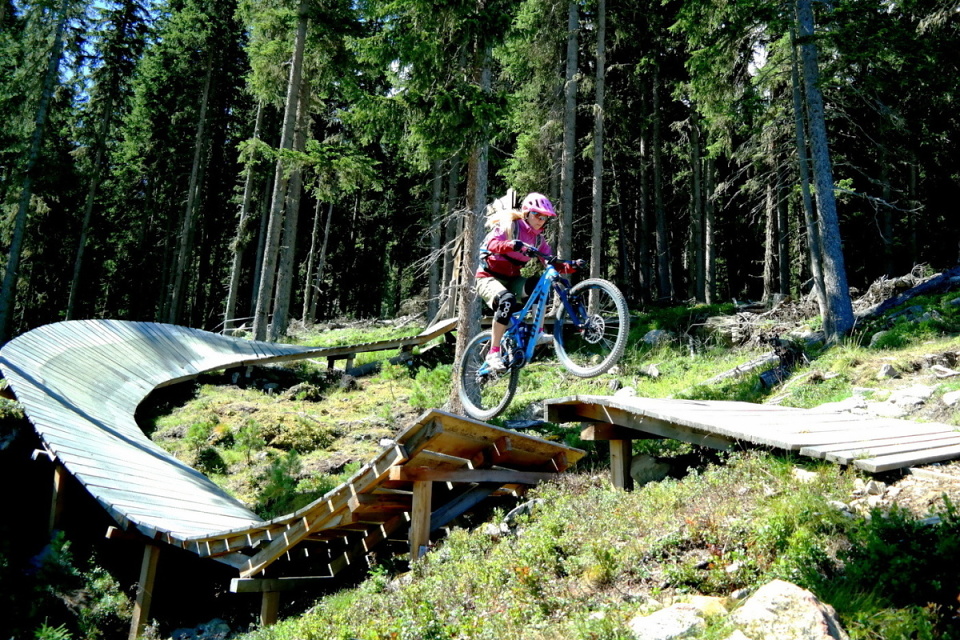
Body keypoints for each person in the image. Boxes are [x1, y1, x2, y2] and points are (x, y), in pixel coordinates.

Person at [475, 192, 580, 371]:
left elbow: (550, 262)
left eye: (544, 218)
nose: (541, 220)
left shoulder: (538, 240)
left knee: (538, 286)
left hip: (512, 279)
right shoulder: (510, 226)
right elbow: (491, 244)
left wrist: (571, 266)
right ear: (526, 213)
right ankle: (493, 352)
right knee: (506, 300)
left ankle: (538, 333)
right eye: (537, 215)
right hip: (488, 277)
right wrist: (511, 244)